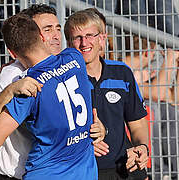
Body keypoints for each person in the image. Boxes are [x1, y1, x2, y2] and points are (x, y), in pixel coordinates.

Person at [0, 13, 98, 179]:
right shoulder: (74, 57)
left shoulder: (29, 87)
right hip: (85, 173)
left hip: (47, 173)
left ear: (12, 53)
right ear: (42, 37)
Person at [64, 9, 149, 179]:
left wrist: (142, 147)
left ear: (102, 38)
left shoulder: (122, 73)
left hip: (126, 168)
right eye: (77, 38)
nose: (84, 43)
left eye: (90, 35)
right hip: (84, 171)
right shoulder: (63, 80)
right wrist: (82, 145)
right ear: (68, 43)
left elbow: (138, 124)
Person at [124, 35, 179, 180]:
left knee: (170, 111)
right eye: (154, 55)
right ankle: (158, 171)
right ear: (148, 53)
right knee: (152, 109)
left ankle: (171, 171)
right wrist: (170, 57)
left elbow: (173, 98)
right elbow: (157, 93)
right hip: (135, 146)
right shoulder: (123, 69)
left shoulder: (142, 73)